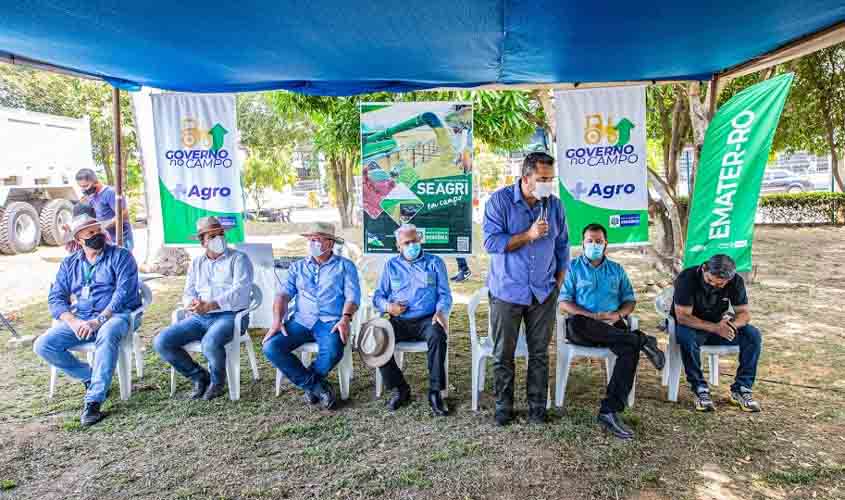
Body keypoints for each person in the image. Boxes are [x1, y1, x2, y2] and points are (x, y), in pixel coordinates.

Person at [482, 152, 569, 425]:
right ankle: (503, 407)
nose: (547, 184)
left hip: (543, 292)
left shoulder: (554, 206)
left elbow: (563, 245)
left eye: (550, 179)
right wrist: (528, 235)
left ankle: (536, 408)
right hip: (507, 291)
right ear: (525, 178)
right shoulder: (500, 202)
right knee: (503, 354)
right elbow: (492, 243)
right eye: (542, 179)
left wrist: (559, 279)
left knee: (540, 353)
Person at [559, 223, 665, 440]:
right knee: (580, 322)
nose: (594, 244)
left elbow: (629, 301)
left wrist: (618, 315)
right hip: (584, 325)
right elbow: (564, 302)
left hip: (613, 325)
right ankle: (642, 340)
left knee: (628, 349)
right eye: (590, 240)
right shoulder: (573, 268)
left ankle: (609, 411)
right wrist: (591, 316)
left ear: (606, 243)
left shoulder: (616, 270)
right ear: (583, 243)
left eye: (599, 241)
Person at [34, 213, 141, 426]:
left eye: (98, 230)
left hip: (116, 315)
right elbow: (56, 298)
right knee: (43, 345)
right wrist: (73, 321)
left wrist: (98, 320)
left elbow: (122, 295)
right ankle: (92, 377)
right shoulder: (70, 263)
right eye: (90, 233)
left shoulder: (121, 256)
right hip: (82, 318)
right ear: (78, 240)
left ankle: (93, 401)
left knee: (108, 332)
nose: (98, 235)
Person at [153, 217, 254, 401]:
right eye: (213, 236)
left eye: (221, 234)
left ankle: (217, 382)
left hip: (231, 315)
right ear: (203, 241)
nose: (219, 239)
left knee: (210, 342)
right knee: (162, 341)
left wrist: (212, 304)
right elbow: (189, 291)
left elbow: (241, 290)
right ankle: (199, 377)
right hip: (201, 317)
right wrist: (192, 303)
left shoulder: (239, 258)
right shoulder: (197, 263)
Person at [262, 222, 360, 410]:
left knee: (332, 351)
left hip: (331, 321)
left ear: (330, 243)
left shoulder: (345, 266)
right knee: (271, 347)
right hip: (301, 321)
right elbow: (282, 295)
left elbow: (353, 297)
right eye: (310, 239)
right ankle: (316, 386)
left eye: (317, 239)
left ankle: (311, 384)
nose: (312, 243)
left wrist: (345, 318)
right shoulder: (297, 267)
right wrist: (276, 321)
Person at [372, 224, 452, 416]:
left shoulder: (434, 262)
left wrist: (441, 311)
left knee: (437, 336)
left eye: (414, 241)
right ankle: (400, 388)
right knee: (377, 341)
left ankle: (435, 392)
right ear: (398, 246)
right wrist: (388, 307)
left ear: (420, 240)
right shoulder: (390, 266)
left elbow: (445, 294)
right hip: (400, 320)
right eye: (406, 243)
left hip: (427, 319)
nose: (411, 245)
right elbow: (377, 297)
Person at [672, 254, 763, 413]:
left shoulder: (736, 281)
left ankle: (742, 389)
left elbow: (744, 314)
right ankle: (700, 389)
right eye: (709, 281)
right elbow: (683, 317)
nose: (714, 285)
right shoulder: (687, 278)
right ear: (704, 268)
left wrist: (731, 326)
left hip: (717, 326)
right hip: (692, 326)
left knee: (752, 335)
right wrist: (715, 328)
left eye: (720, 284)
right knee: (686, 337)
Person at [75, 168, 134, 251]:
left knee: (123, 261)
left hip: (121, 238)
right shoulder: (92, 196)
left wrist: (104, 225)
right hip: (108, 238)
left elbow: (124, 215)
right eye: (81, 187)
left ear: (95, 182)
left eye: (85, 186)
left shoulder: (110, 193)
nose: (83, 190)